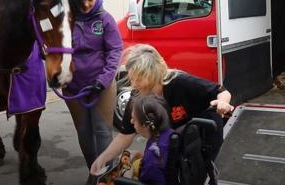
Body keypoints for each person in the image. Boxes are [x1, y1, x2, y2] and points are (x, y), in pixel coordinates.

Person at [90, 44, 234, 184]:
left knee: (200, 175)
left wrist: (222, 103)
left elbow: (222, 91)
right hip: (176, 140)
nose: (134, 84)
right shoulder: (138, 96)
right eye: (132, 78)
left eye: (138, 79)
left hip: (204, 135)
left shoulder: (180, 82)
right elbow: (125, 135)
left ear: (153, 74)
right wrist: (102, 158)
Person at [62, 0, 123, 185]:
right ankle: (94, 171)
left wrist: (104, 80)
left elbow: (115, 51)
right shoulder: (66, 18)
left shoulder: (105, 19)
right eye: (82, 0)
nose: (86, 4)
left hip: (101, 84)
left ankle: (108, 176)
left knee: (101, 130)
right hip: (74, 86)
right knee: (85, 133)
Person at [130, 94, 173, 185]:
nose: (131, 121)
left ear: (145, 125)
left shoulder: (152, 158)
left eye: (134, 119)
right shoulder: (169, 133)